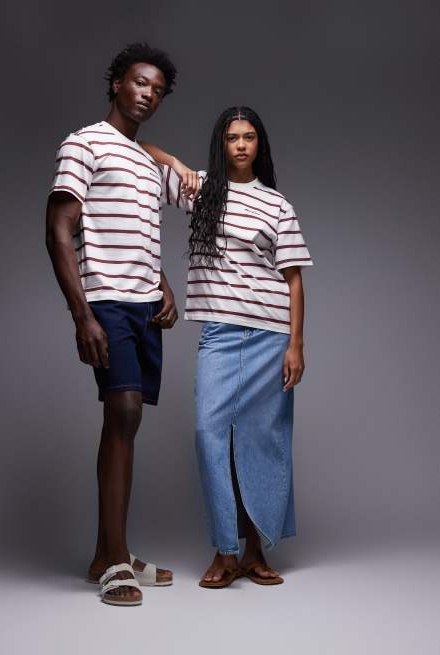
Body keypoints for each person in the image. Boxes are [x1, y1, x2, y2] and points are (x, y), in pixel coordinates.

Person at [142, 106, 313, 588]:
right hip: (219, 333)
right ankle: (224, 550)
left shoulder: (277, 204)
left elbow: (293, 279)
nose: (241, 145)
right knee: (208, 433)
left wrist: (296, 344)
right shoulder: (201, 190)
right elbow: (139, 150)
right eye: (233, 137)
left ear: (260, 145)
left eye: (249, 137)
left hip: (270, 335)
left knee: (263, 440)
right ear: (222, 143)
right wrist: (177, 164)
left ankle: (255, 551)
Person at [45, 43, 185, 607]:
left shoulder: (146, 162)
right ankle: (116, 560)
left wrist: (164, 284)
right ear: (116, 84)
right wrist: (82, 315)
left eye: (157, 89)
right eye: (139, 82)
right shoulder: (82, 143)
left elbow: (142, 229)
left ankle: (108, 554)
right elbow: (59, 228)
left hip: (145, 305)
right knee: (122, 411)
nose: (147, 93)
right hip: (106, 302)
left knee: (127, 422)